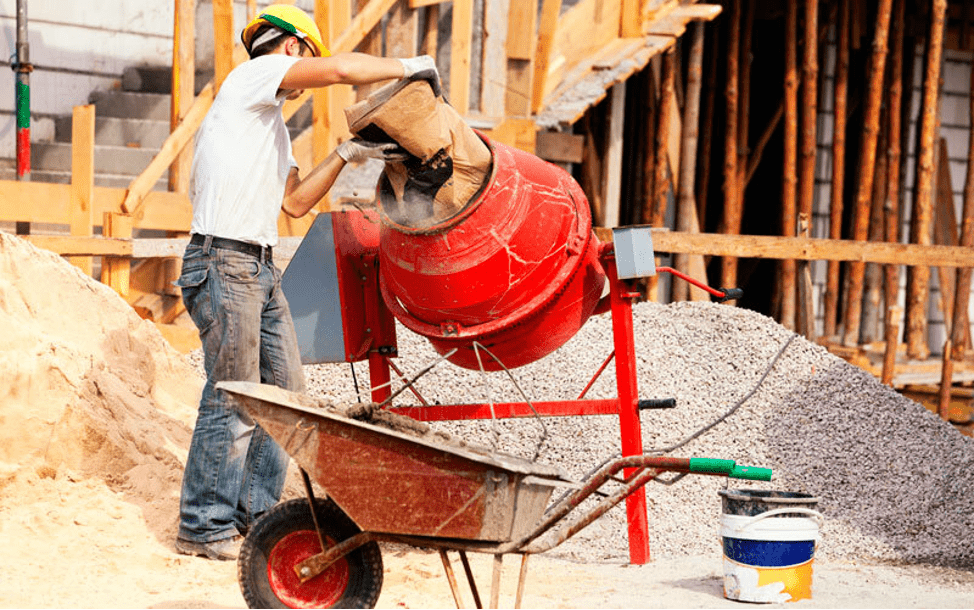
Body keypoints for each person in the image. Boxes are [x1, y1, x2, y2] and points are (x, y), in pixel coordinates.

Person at [173, 4, 435, 561]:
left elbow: (293, 204)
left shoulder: (268, 128)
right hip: (224, 262)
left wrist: (345, 155)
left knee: (286, 398)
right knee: (235, 397)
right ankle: (204, 525)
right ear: (292, 48)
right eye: (308, 59)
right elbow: (341, 72)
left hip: (259, 269)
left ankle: (256, 518)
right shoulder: (252, 77)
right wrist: (409, 65)